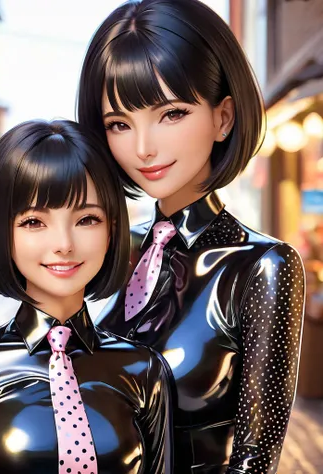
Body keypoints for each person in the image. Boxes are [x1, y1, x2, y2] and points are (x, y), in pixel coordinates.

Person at [77, 1, 305, 473]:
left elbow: (255, 457)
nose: (143, 147)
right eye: (119, 124)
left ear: (223, 117)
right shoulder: (112, 247)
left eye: (171, 114)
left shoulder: (263, 267)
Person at [0, 120, 173, 474]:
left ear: (112, 229)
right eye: (33, 222)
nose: (64, 244)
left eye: (87, 219)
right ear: (1, 231)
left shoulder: (143, 369)